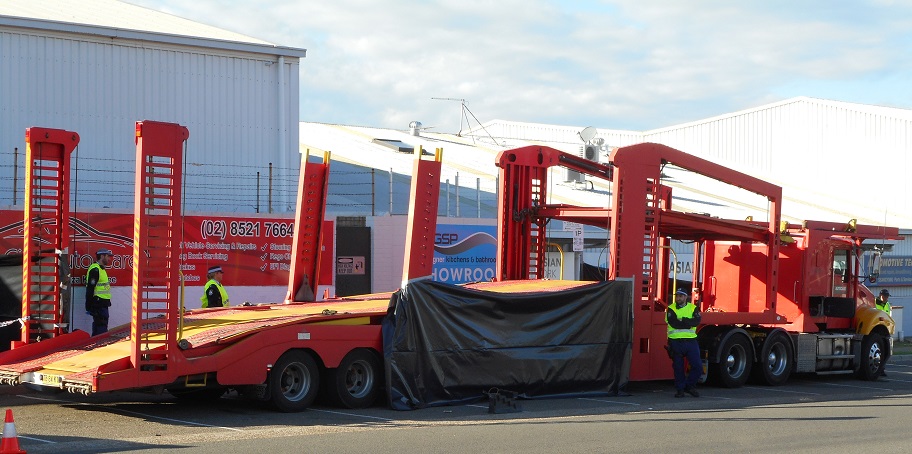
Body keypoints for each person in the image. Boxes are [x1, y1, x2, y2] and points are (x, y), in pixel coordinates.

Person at [667, 289, 702, 397]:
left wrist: (683, 320)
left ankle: (689, 386)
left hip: (691, 341)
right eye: (677, 296)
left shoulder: (693, 308)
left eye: (681, 296)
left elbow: (696, 322)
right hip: (676, 342)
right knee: (678, 368)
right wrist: (688, 322)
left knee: (697, 366)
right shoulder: (671, 308)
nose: (678, 298)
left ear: (686, 297)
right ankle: (680, 390)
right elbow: (674, 323)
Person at [85, 248, 113, 336]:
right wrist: (89, 306)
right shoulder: (95, 270)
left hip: (103, 303)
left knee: (100, 326)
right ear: (102, 256)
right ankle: (99, 346)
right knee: (101, 326)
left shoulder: (101, 269)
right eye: (107, 256)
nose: (109, 259)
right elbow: (90, 288)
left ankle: (97, 344)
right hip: (98, 303)